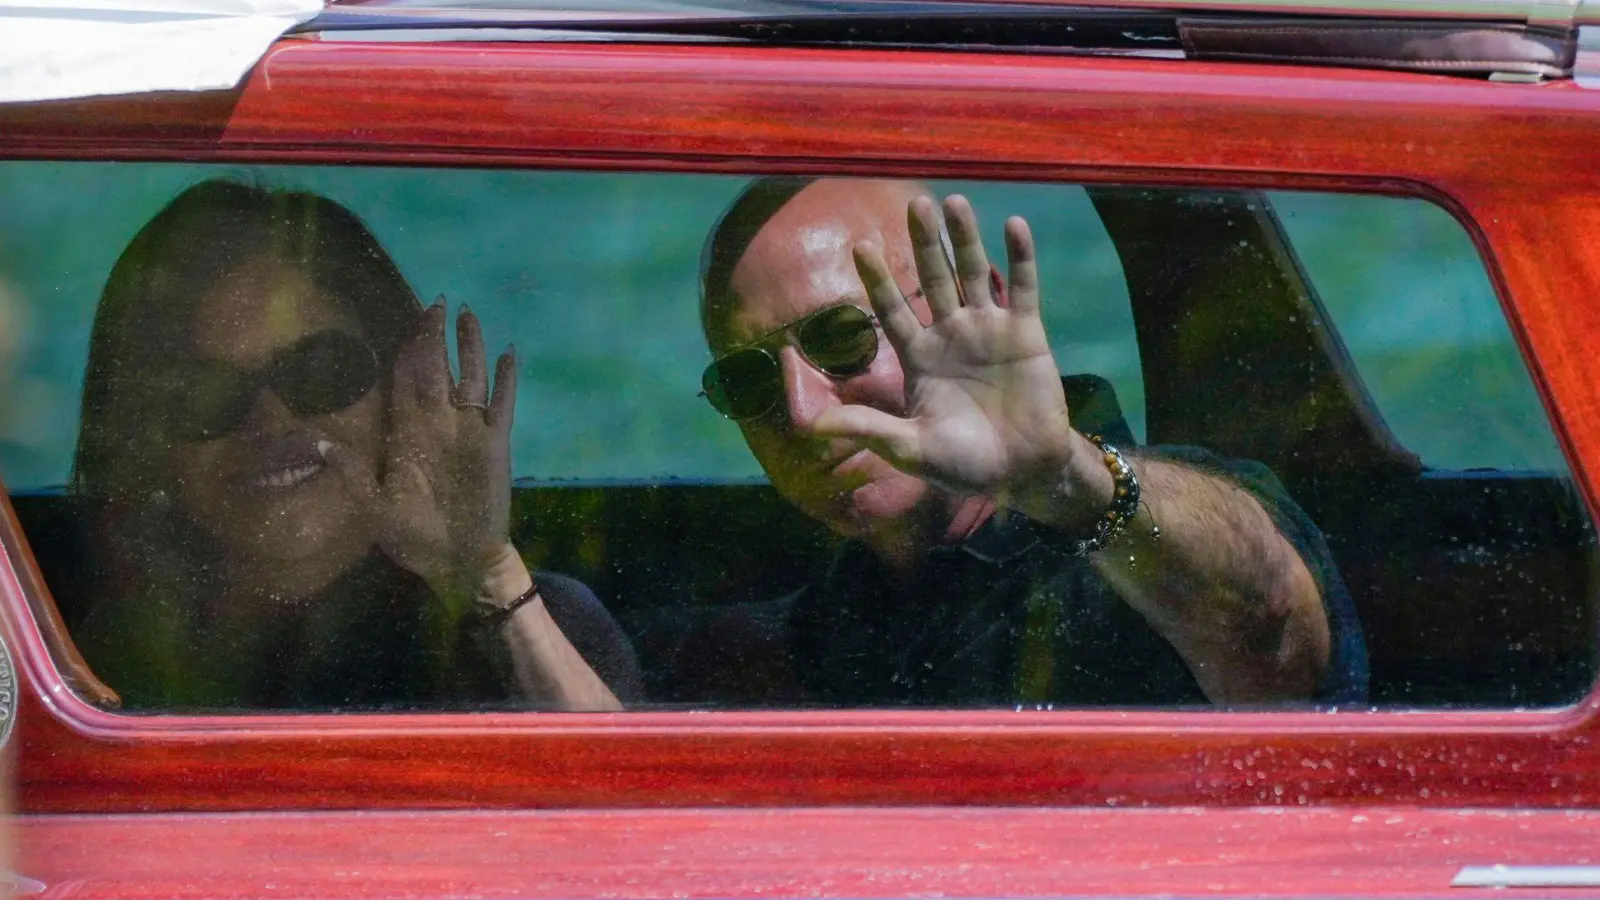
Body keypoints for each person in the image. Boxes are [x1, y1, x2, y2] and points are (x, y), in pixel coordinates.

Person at [695, 176, 1367, 707]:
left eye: (840, 339)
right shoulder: (835, 618)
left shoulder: (1130, 537)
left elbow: (1277, 632)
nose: (804, 412)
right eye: (747, 380)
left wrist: (1062, 479)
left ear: (977, 304)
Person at [69, 179, 637, 711]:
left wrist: (485, 576)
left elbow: (633, 803)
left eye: (320, 371)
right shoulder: (71, 663)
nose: (271, 420)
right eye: (205, 394)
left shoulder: (540, 621)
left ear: (399, 386)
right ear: (147, 437)